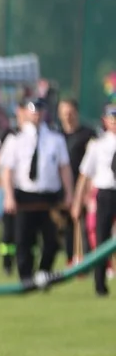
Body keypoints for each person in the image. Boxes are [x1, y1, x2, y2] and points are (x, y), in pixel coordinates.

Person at [0, 98, 73, 286]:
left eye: (40, 110)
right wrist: (8, 196)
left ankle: (43, 273)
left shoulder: (55, 138)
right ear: (25, 112)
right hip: (25, 195)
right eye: (32, 110)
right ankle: (26, 279)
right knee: (24, 241)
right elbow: (8, 171)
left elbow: (64, 168)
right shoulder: (15, 138)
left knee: (52, 241)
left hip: (49, 197)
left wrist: (69, 193)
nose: (36, 115)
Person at [72, 104, 116, 297]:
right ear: (105, 121)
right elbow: (84, 175)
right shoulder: (97, 145)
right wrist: (77, 201)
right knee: (101, 238)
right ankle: (100, 284)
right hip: (106, 193)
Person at [57, 99, 96, 264]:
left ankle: (86, 261)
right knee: (67, 227)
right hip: (62, 189)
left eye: (70, 112)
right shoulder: (57, 135)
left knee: (85, 226)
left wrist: (87, 191)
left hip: (83, 187)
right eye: (64, 112)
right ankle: (70, 259)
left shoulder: (88, 135)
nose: (68, 116)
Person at [0, 101, 26, 276]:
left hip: (27, 190)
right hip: (11, 188)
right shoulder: (10, 135)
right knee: (8, 230)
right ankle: (7, 264)